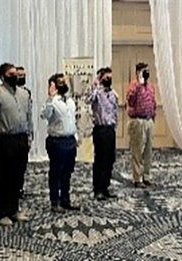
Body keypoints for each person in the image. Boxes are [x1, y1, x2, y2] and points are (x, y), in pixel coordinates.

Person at [0, 63, 32, 226]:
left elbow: (28, 117)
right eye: (11, 74)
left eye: (16, 73)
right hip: (4, 141)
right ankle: (2, 212)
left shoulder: (24, 94)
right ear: (3, 76)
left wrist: (30, 137)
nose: (16, 76)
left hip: (21, 139)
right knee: (5, 177)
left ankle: (14, 210)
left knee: (18, 176)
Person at [41, 73, 79, 213]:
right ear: (53, 85)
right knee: (56, 173)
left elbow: (72, 120)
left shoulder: (70, 101)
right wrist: (50, 98)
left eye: (64, 82)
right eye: (60, 82)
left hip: (70, 141)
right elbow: (44, 115)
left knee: (67, 173)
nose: (64, 84)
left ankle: (65, 200)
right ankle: (55, 202)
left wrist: (76, 137)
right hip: (57, 141)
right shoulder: (52, 102)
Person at [84, 67, 118, 201]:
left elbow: (115, 112)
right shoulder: (97, 93)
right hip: (100, 129)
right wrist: (95, 84)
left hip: (110, 129)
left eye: (110, 77)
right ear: (101, 78)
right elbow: (87, 99)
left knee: (110, 159)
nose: (109, 79)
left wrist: (115, 126)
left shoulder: (113, 94)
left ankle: (105, 187)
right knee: (100, 160)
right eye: (106, 77)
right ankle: (97, 188)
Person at [126, 63, 157, 188]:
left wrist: (153, 116)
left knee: (148, 150)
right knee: (137, 150)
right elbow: (130, 100)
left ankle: (146, 176)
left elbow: (153, 102)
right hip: (137, 121)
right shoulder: (133, 86)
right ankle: (137, 178)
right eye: (144, 71)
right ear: (138, 72)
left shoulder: (150, 87)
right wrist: (139, 84)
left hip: (148, 120)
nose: (147, 73)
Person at [16, 66, 33, 199]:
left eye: (24, 75)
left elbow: (29, 115)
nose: (22, 77)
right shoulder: (9, 93)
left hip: (24, 133)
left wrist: (30, 134)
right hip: (12, 134)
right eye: (19, 75)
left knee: (22, 164)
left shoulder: (27, 92)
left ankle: (20, 188)